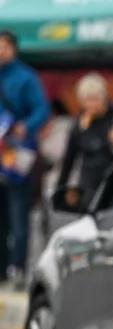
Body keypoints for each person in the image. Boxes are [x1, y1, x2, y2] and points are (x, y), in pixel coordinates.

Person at [0, 30, 49, 284]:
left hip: (16, 154)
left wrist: (25, 126)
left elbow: (42, 109)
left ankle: (17, 268)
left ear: (13, 49)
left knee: (19, 215)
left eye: (4, 46)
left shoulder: (25, 77)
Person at [56, 73, 113, 211]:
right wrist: (60, 188)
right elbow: (69, 158)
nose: (92, 104)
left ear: (104, 97)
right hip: (89, 183)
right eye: (87, 100)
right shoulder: (79, 125)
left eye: (95, 99)